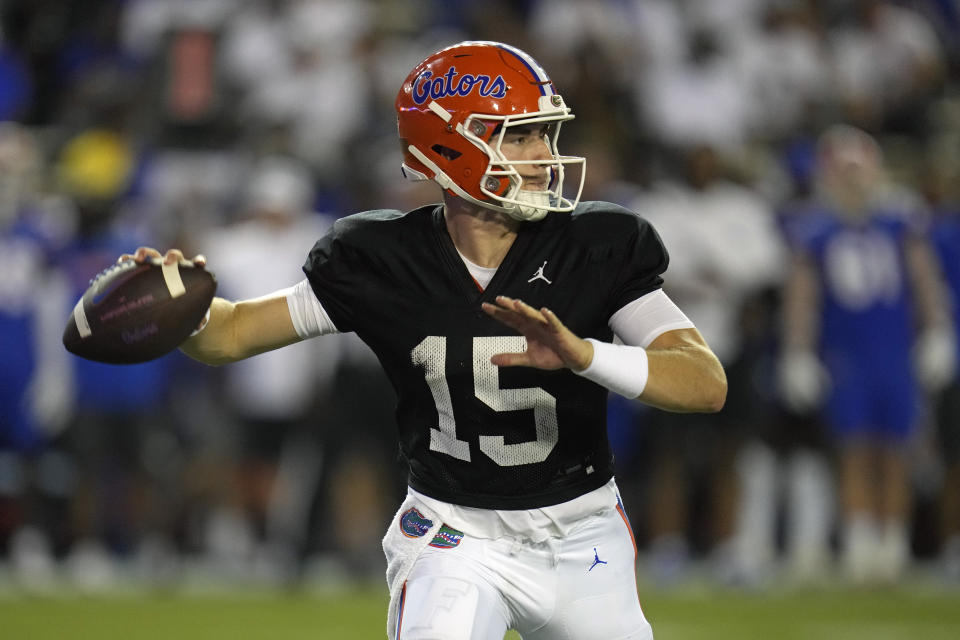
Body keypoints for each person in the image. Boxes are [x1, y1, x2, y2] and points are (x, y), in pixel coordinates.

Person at [122, 41, 726, 640]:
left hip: (582, 533)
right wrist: (182, 311)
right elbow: (230, 334)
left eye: (546, 134)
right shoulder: (381, 259)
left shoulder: (594, 245)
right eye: (520, 136)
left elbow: (704, 383)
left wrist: (586, 355)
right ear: (451, 146)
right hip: (452, 532)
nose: (546, 155)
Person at [778, 124, 954, 584]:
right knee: (854, 451)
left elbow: (924, 282)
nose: (853, 181)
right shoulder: (815, 230)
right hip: (846, 354)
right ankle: (859, 545)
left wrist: (937, 331)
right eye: (844, 172)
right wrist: (797, 351)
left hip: (893, 351)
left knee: (897, 451)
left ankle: (892, 546)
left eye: (858, 171)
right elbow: (804, 295)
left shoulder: (900, 224)